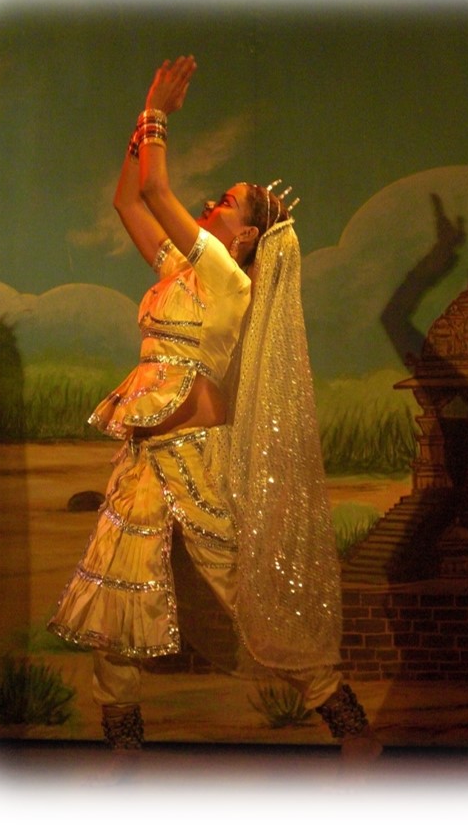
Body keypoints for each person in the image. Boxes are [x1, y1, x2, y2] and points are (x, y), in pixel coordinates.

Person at [48, 56, 381, 760]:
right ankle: (123, 741)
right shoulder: (179, 269)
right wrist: (138, 134)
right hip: (144, 457)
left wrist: (157, 112)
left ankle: (347, 723)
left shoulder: (229, 280)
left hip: (197, 458)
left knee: (246, 591)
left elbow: (157, 189)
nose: (211, 203)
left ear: (247, 236)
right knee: (118, 593)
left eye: (226, 202)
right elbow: (130, 201)